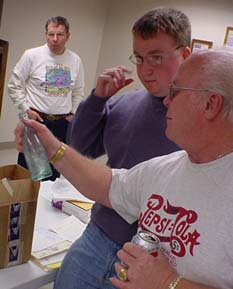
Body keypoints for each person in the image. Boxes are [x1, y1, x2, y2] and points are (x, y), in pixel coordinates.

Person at [15, 48, 233, 289]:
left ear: (210, 104)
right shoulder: (169, 167)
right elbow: (109, 185)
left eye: (176, 91)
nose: (168, 100)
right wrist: (53, 149)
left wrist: (167, 283)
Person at [54, 7, 191, 289]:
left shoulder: (202, 121)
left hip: (154, 260)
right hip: (96, 237)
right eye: (139, 58)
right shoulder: (125, 104)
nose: (146, 70)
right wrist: (97, 100)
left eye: (156, 57)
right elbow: (81, 149)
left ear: (185, 55)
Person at [8, 16, 85, 181]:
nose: (55, 39)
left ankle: (46, 203)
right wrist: (26, 109)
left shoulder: (75, 60)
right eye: (51, 34)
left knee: (55, 171)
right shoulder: (32, 55)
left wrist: (73, 112)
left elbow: (78, 90)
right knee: (29, 171)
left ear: (68, 36)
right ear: (46, 34)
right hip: (36, 119)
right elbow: (14, 85)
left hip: (62, 123)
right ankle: (25, 202)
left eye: (59, 34)